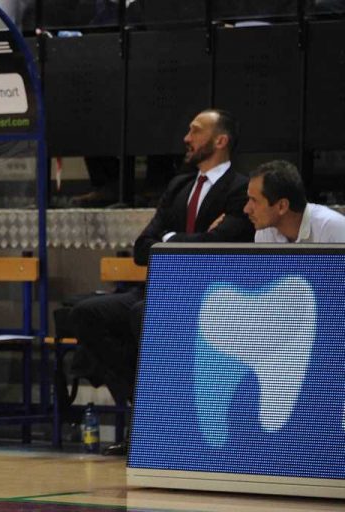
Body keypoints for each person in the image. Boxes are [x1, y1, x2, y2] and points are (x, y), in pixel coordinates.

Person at [68, 109, 254, 455]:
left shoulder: (241, 189)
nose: (186, 138)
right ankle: (142, 402)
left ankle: (161, 418)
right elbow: (142, 247)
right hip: (159, 290)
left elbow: (218, 245)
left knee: (142, 314)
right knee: (86, 313)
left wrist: (168, 239)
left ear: (220, 140)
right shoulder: (179, 185)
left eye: (195, 131)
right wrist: (187, 239)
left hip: (209, 296)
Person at [244, 160, 345, 243]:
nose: (246, 209)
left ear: (282, 206)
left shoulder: (335, 229)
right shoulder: (265, 233)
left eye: (254, 200)